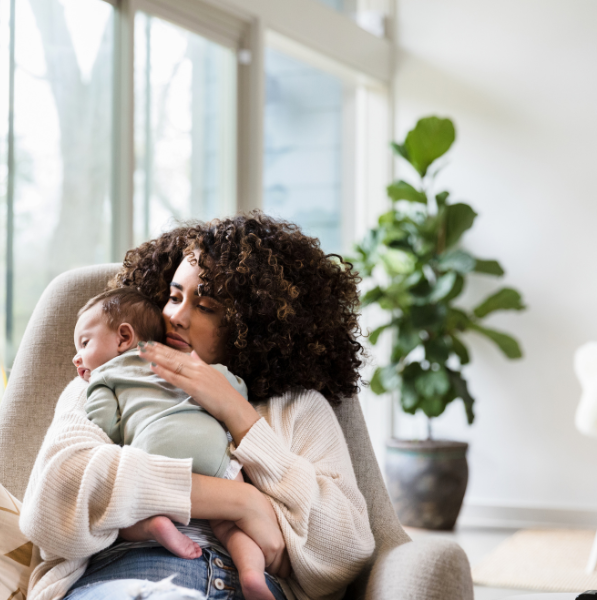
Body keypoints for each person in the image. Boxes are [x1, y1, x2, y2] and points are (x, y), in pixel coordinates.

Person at [20, 212, 376, 600]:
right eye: (173, 297)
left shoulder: (298, 407)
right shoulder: (106, 379)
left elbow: (346, 550)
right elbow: (52, 500)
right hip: (124, 577)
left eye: (205, 306)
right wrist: (244, 503)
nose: (175, 316)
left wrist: (238, 415)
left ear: (252, 325)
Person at [72, 287, 275, 600]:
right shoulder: (200, 371)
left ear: (124, 337)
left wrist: (99, 394)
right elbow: (233, 386)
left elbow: (106, 429)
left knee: (126, 516)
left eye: (84, 343)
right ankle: (252, 576)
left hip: (153, 458)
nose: (77, 357)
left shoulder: (103, 377)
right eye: (174, 297)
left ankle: (155, 525)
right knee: (232, 527)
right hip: (214, 454)